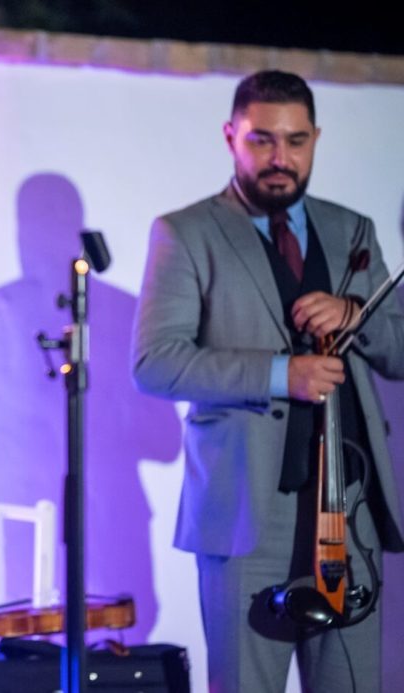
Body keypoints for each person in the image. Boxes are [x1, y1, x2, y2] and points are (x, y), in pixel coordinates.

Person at [132, 70, 404, 692]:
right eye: (262, 140)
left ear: (316, 140)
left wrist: (356, 315)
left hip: (351, 507)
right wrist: (283, 375)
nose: (281, 157)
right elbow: (154, 362)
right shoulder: (185, 232)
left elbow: (400, 350)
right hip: (244, 516)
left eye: (296, 140)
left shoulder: (352, 229)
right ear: (231, 136)